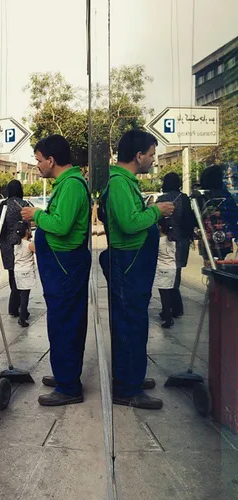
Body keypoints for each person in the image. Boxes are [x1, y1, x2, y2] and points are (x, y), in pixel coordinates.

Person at [99, 130, 174, 410]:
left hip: (134, 265)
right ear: (139, 155)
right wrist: (156, 211)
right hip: (127, 265)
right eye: (152, 155)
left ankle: (133, 377)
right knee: (130, 324)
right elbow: (130, 224)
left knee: (136, 323)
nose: (153, 160)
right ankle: (127, 389)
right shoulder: (119, 183)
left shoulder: (125, 182)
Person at [21, 134, 91, 407]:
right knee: (62, 322)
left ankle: (69, 386)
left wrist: (36, 215)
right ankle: (65, 375)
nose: (37, 165)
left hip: (66, 267)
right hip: (61, 267)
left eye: (38, 160)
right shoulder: (65, 184)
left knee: (66, 324)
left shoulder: (72, 185)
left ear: (51, 160)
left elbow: (61, 226)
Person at [157, 172, 195, 318]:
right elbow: (189, 219)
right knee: (177, 272)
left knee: (166, 273)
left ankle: (168, 307)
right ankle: (177, 307)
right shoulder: (184, 198)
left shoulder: (161, 199)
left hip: (167, 240)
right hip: (182, 240)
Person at [0, 180, 29, 317]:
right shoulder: (23, 204)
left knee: (12, 274)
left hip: (6, 243)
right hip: (20, 242)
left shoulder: (3, 204)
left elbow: (0, 224)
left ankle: (13, 307)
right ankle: (20, 306)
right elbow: (27, 225)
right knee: (21, 273)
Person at [196, 164, 238, 262]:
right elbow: (234, 217)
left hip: (207, 240)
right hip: (225, 240)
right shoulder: (226, 196)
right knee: (224, 266)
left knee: (209, 266)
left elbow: (196, 218)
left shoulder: (200, 197)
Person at [154, 218, 177, 328]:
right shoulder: (171, 239)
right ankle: (165, 314)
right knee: (169, 293)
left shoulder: (158, 242)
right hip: (172, 268)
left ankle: (168, 318)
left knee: (164, 296)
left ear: (159, 227)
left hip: (162, 269)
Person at [13, 222, 36, 327]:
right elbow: (39, 252)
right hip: (26, 272)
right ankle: (22, 318)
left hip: (17, 271)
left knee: (21, 293)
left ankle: (24, 313)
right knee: (25, 296)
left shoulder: (16, 244)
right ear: (27, 231)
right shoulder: (30, 245)